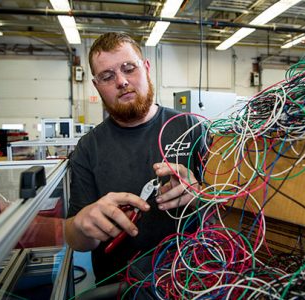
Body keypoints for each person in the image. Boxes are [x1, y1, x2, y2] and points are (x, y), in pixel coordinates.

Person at [65, 32, 204, 286]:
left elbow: (228, 208)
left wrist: (199, 195)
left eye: (129, 68)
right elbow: (76, 240)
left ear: (147, 68)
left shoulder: (189, 126)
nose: (121, 81)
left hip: (191, 280)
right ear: (97, 86)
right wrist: (83, 223)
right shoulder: (88, 148)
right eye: (107, 76)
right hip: (118, 289)